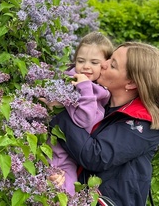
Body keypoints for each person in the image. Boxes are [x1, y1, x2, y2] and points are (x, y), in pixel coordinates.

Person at [49, 42, 159, 205]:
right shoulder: (101, 103)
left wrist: (59, 112)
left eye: (112, 65)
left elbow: (95, 155)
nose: (103, 64)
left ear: (131, 84)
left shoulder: (144, 123)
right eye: (109, 57)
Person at [43, 32, 114, 196]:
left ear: (105, 65)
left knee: (68, 195)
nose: (86, 66)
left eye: (94, 62)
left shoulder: (99, 91)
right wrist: (85, 87)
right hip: (53, 153)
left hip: (69, 158)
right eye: (81, 61)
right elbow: (83, 119)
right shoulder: (73, 86)